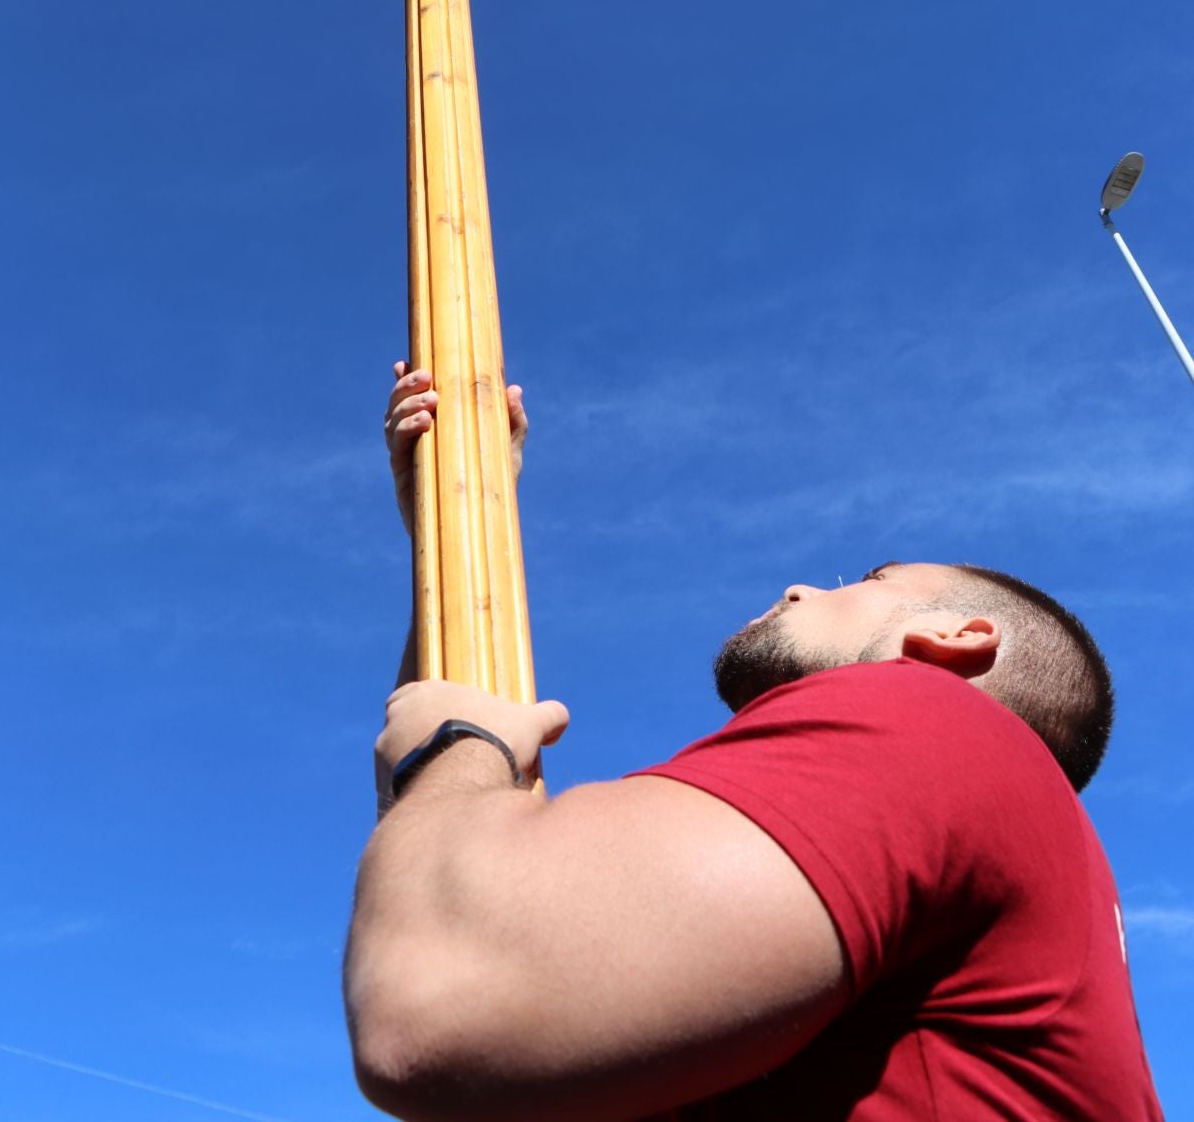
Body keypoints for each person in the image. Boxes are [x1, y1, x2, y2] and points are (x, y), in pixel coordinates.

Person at [345, 365, 1163, 1121]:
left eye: (870, 582)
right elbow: (502, 982)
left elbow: (445, 995)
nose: (803, 585)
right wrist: (449, 530)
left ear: (957, 635)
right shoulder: (1016, 868)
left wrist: (453, 747)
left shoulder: (940, 717)